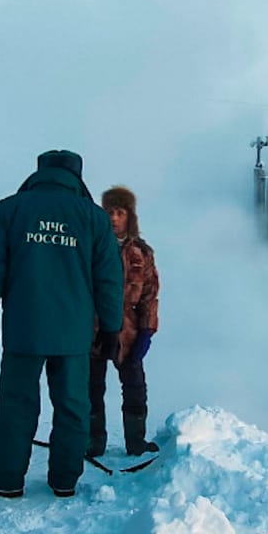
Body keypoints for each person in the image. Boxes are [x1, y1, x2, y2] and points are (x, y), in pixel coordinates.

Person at [0, 149, 123, 499]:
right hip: (73, 333)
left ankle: (7, 478)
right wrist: (112, 328)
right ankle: (65, 479)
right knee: (72, 406)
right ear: (77, 176)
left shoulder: (9, 209)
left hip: (24, 329)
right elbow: (109, 279)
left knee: (16, 404)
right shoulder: (94, 218)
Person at [89, 185, 160, 458]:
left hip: (129, 334)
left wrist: (146, 332)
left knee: (135, 391)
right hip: (93, 332)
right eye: (109, 212)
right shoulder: (91, 248)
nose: (114, 218)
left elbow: (150, 296)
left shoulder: (142, 253)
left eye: (120, 212)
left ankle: (136, 443)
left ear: (130, 216)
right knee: (91, 391)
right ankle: (93, 442)